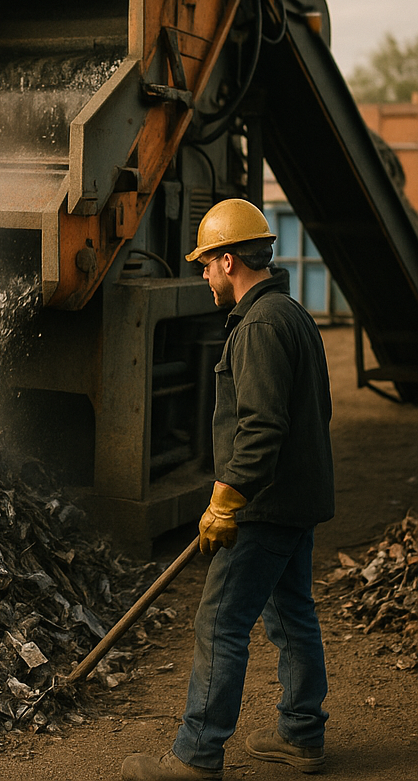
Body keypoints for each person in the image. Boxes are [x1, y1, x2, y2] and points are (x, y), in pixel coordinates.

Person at [121, 199, 334, 780]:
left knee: (220, 623)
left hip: (264, 505)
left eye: (208, 264)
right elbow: (318, 410)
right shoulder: (290, 314)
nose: (205, 276)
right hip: (294, 497)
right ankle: (301, 734)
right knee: (291, 613)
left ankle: (197, 755)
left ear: (231, 260)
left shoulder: (260, 325)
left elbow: (263, 425)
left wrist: (228, 497)